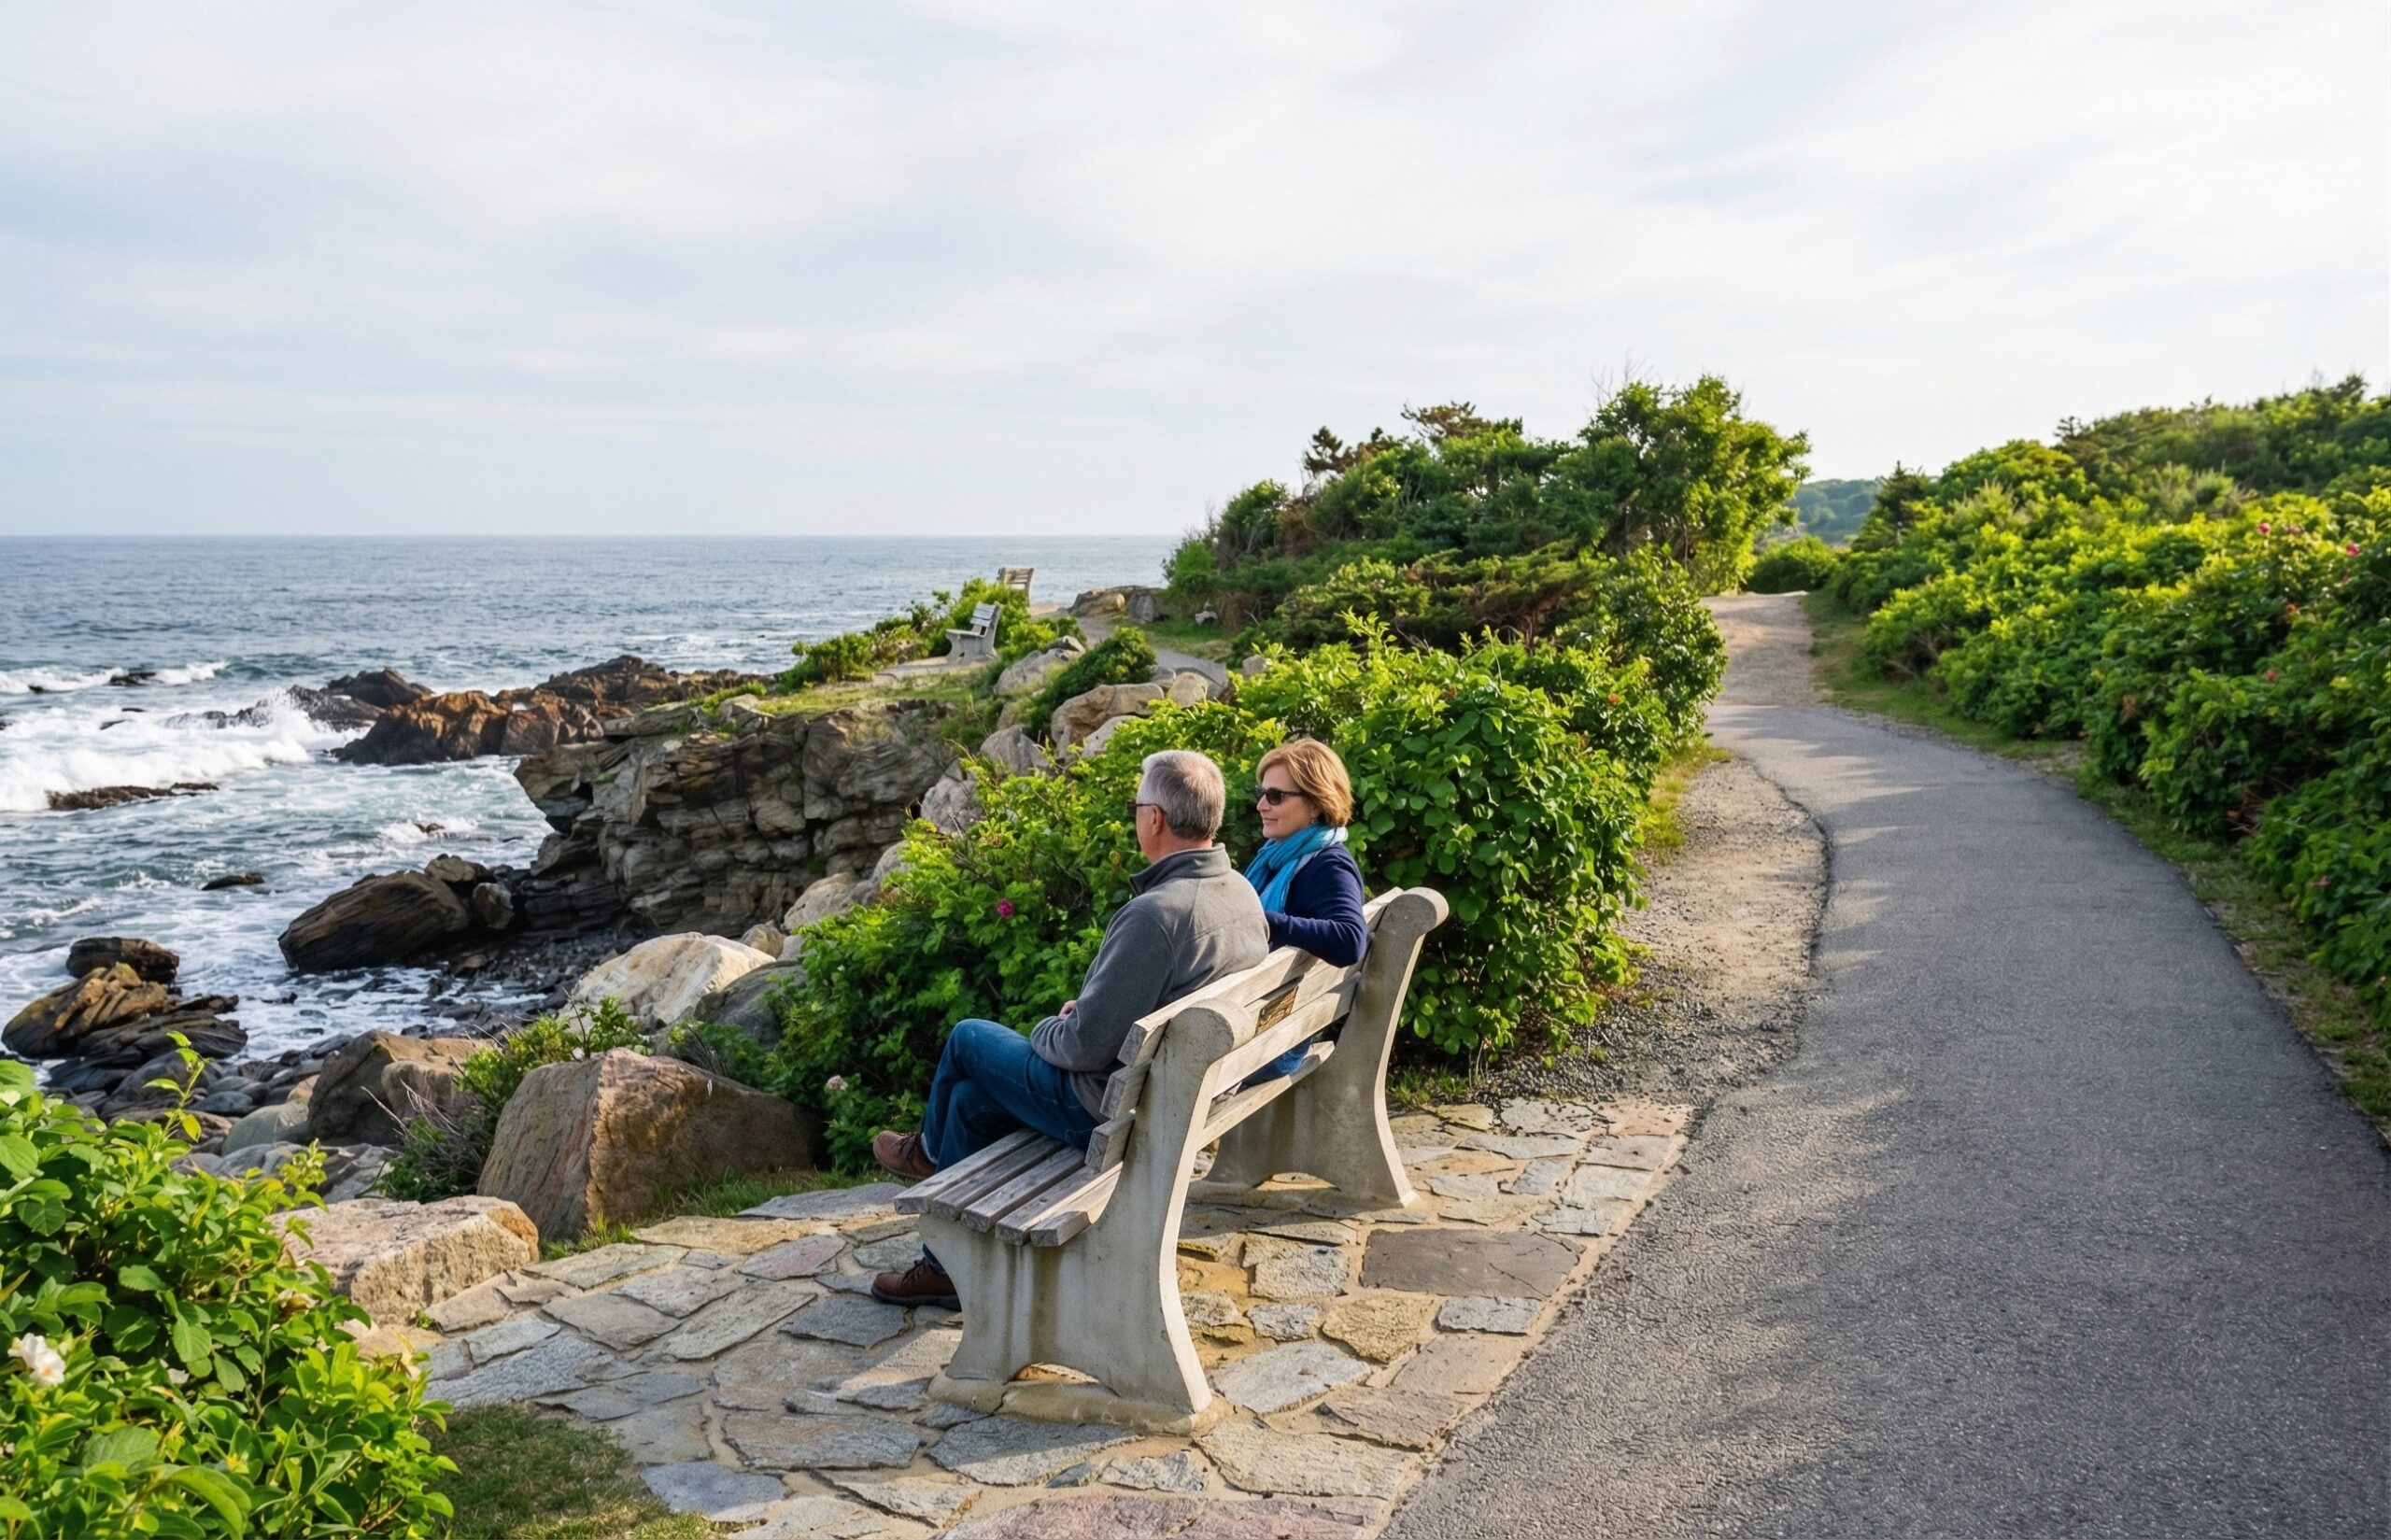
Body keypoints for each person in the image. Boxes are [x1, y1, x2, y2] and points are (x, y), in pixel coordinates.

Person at [869, 748, 1269, 1308]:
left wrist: (1051, 1027)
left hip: (1106, 1114)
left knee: (967, 1038)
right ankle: (946, 1268)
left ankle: (929, 1156)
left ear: (1154, 819)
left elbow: (1083, 1047)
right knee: (964, 1097)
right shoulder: (1240, 892)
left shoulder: (1157, 915)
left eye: (1137, 805)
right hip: (1169, 1103)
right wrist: (1085, 1018)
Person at [1243, 738, 1367, 1081]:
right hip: (1269, 1030)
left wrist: (1266, 923)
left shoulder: (1328, 865)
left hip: (1270, 1046)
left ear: (1316, 804)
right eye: (1262, 793)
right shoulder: (1281, 856)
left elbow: (1350, 939)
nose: (1261, 806)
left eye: (1276, 796)